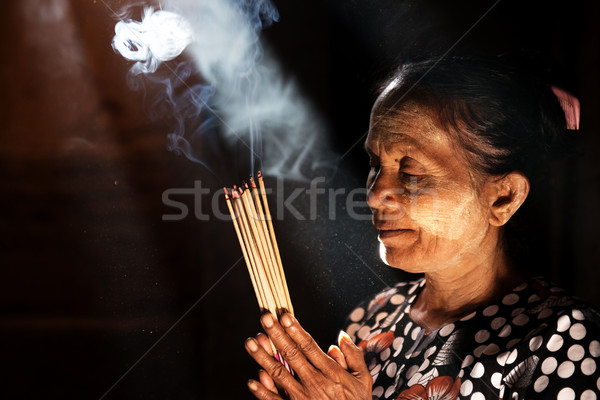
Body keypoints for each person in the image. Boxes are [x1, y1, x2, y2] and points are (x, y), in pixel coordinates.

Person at [244, 55, 600, 399]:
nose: (376, 195)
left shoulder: (564, 338)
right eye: (374, 163)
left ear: (502, 198)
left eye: (411, 173)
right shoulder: (371, 317)